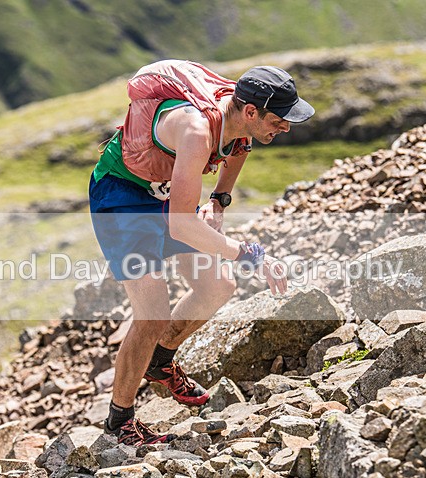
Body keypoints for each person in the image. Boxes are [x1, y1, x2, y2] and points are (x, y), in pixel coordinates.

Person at [89, 60, 314, 446]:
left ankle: (159, 362)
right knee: (153, 312)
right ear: (250, 111)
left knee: (218, 286)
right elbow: (181, 226)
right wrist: (253, 255)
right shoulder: (196, 131)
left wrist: (220, 199)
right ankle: (119, 423)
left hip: (167, 190)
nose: (286, 127)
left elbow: (238, 148)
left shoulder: (238, 118)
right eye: (280, 119)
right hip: (122, 196)